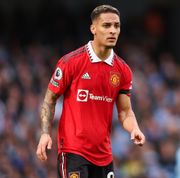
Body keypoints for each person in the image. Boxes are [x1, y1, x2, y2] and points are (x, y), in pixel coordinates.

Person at [36, 4, 145, 178]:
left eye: (116, 26)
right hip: (73, 152)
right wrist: (45, 133)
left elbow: (125, 112)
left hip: (104, 156)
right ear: (93, 28)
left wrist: (135, 128)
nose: (113, 31)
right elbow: (50, 99)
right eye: (106, 25)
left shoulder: (123, 70)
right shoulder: (71, 62)